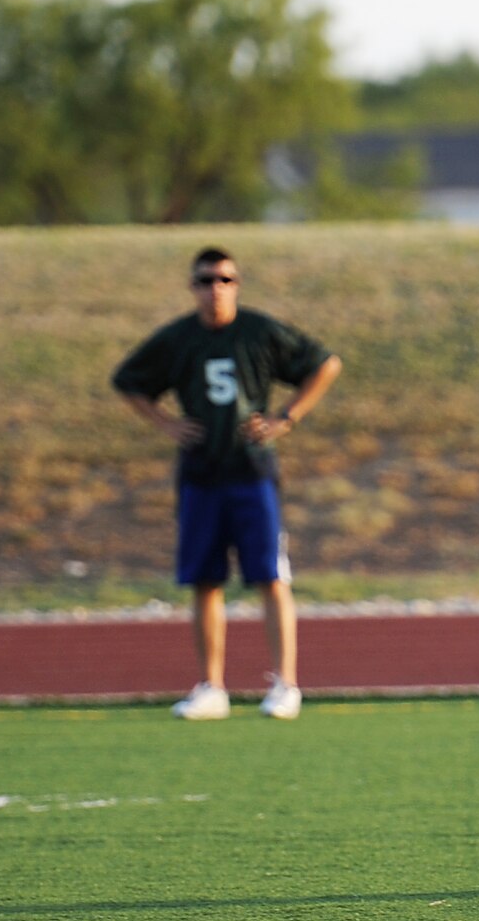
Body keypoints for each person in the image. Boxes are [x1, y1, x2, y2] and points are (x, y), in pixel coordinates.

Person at [113, 248, 341, 722]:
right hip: (201, 471)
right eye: (205, 281)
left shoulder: (258, 331)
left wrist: (286, 418)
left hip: (251, 469)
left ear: (237, 285)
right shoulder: (179, 338)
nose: (215, 289)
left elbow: (325, 364)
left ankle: (285, 684)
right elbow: (128, 379)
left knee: (270, 577)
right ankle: (211, 687)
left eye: (225, 280)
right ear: (192, 287)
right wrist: (165, 423)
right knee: (205, 580)